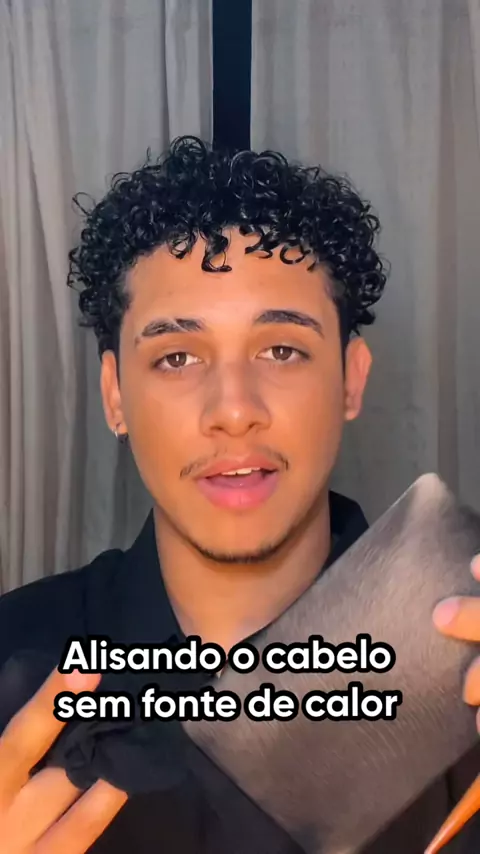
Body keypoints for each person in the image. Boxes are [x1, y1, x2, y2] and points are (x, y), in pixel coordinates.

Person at [0, 136, 479, 853]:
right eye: (176, 357)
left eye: (282, 350)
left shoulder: (466, 656)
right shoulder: (12, 653)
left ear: (350, 380)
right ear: (115, 395)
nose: (233, 409)